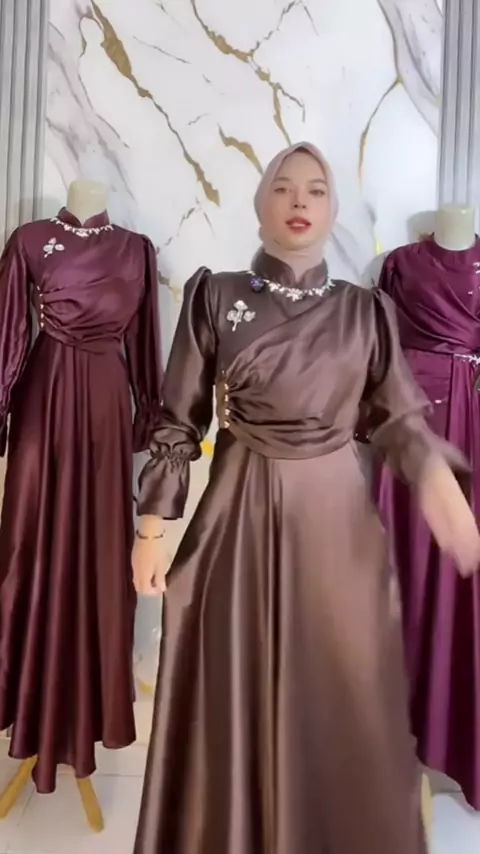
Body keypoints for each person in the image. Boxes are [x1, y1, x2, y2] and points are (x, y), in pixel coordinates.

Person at [132, 143, 480, 854]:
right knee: (231, 695)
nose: (299, 201)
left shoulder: (365, 311)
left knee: (337, 699)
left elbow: (398, 420)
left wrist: (437, 480)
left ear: (332, 208)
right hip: (236, 519)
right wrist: (151, 526)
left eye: (316, 190)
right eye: (284, 187)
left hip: (334, 526)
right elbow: (177, 420)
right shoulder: (215, 295)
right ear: (260, 204)